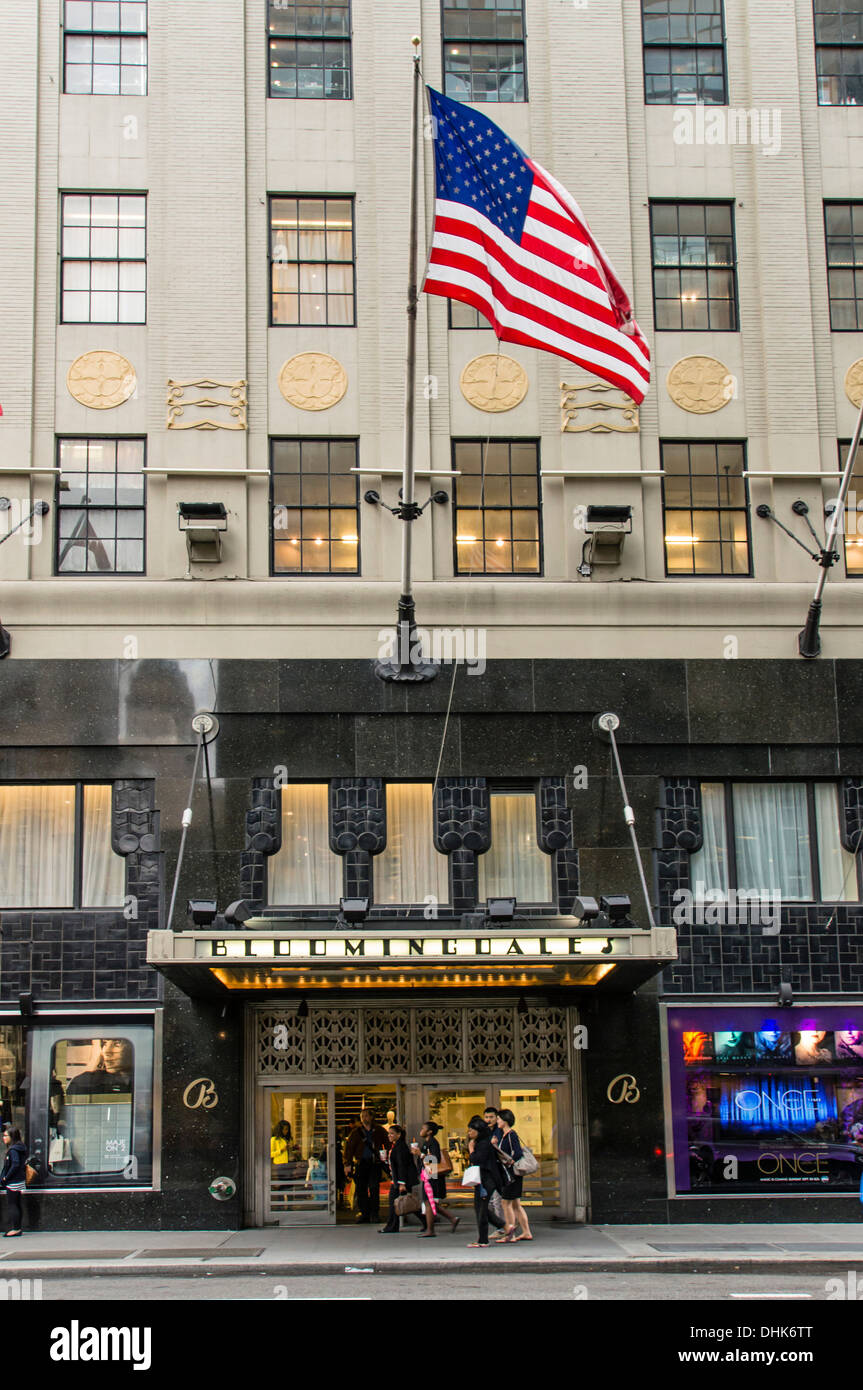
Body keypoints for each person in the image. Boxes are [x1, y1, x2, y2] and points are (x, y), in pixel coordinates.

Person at [344, 1109, 389, 1224]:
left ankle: (374, 1213)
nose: (364, 1118)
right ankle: (364, 1213)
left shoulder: (379, 1131)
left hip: (374, 1163)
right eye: (362, 1116)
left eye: (366, 1116)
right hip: (361, 1163)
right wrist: (348, 1164)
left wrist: (385, 1156)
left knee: (374, 1188)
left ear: (371, 1117)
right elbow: (349, 1149)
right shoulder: (356, 1132)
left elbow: (388, 1144)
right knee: (361, 1189)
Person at [495, 1108, 533, 1243]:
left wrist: (510, 1161)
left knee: (506, 1203)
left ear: (505, 1121)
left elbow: (517, 1153)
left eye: (499, 1119)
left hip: (511, 1175)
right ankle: (526, 1232)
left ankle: (510, 1234)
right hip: (512, 1174)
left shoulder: (511, 1135)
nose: (497, 1121)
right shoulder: (505, 1135)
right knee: (516, 1204)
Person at [415, 1120, 459, 1236]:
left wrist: (421, 1154)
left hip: (431, 1175)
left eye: (423, 1128)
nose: (421, 1130)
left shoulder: (433, 1143)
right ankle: (452, 1218)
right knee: (429, 1202)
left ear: (429, 1132)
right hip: (427, 1174)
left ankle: (431, 1229)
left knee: (429, 1202)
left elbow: (435, 1159)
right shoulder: (426, 1143)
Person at [465, 1116, 504, 1249]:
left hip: (487, 1180)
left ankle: (483, 1240)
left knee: (481, 1209)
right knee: (480, 1208)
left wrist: (471, 1149)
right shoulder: (483, 1142)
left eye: (471, 1130)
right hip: (485, 1179)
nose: (469, 1133)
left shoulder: (483, 1144)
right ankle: (504, 1226)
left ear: (478, 1130)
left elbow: (477, 1160)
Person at [380, 1124, 416, 1233]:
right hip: (398, 1180)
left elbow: (401, 1166)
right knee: (408, 1202)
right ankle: (425, 1221)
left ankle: (391, 1226)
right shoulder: (396, 1146)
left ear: (399, 1135)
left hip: (400, 1181)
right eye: (388, 1133)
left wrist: (401, 1183)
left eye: (392, 1133)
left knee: (396, 1203)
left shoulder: (400, 1147)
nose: (389, 1136)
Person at [66, 1039, 133, 1095]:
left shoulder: (140, 1080)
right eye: (105, 1043)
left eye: (117, 1044)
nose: (107, 1051)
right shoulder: (84, 1082)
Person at [0, 1126, 27, 1238]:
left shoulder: (13, 1150)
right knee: (16, 1203)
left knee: (12, 1204)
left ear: (12, 1137)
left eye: (6, 1135)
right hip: (19, 1179)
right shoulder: (20, 1147)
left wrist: (6, 1177)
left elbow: (15, 1164)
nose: (3, 1137)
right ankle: (17, 1227)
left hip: (13, 1181)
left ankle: (15, 1228)